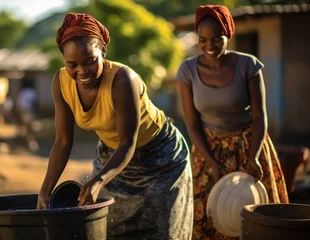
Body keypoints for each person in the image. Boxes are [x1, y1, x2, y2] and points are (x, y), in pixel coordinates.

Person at [37, 13, 193, 239]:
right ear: (64, 60)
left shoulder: (122, 80)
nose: (82, 71)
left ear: (103, 52)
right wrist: (45, 189)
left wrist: (98, 179)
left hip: (161, 159)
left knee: (161, 232)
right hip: (113, 157)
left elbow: (128, 142)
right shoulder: (60, 83)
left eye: (90, 60)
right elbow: (62, 141)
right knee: (106, 229)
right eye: (73, 64)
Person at [176, 5, 289, 240]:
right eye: (203, 40)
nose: (209, 46)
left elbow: (260, 117)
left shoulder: (248, 65)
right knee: (207, 216)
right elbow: (192, 124)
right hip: (208, 150)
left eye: (217, 39)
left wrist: (253, 157)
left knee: (256, 211)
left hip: (249, 145)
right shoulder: (188, 70)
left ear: (228, 34)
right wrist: (213, 164)